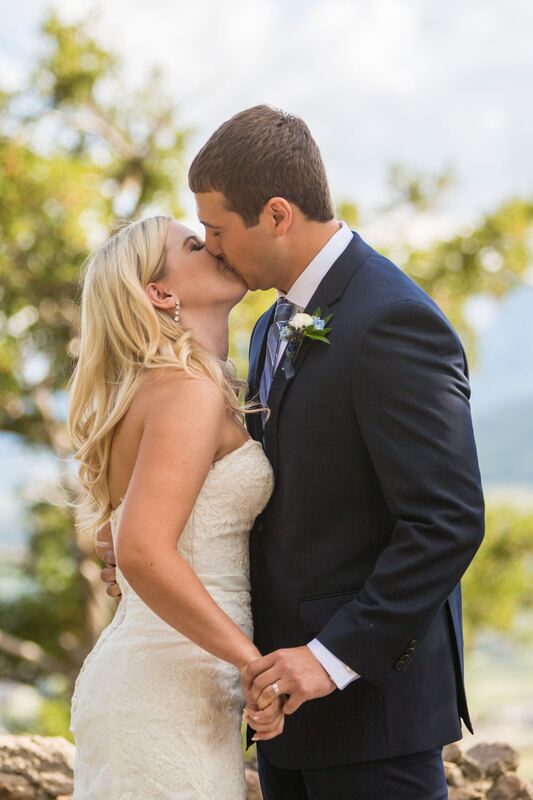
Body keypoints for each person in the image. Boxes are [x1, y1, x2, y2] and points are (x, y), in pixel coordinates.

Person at [101, 105, 485, 799]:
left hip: (370, 715)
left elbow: (447, 520)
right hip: (280, 710)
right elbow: (282, 505)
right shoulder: (270, 326)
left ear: (276, 215)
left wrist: (330, 660)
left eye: (215, 231)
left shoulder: (390, 320)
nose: (212, 249)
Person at [68, 215, 283, 799]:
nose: (214, 245)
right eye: (195, 244)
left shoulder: (175, 386)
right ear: (160, 293)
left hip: (183, 686)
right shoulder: (187, 389)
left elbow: (128, 534)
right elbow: (140, 548)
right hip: (165, 691)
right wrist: (252, 664)